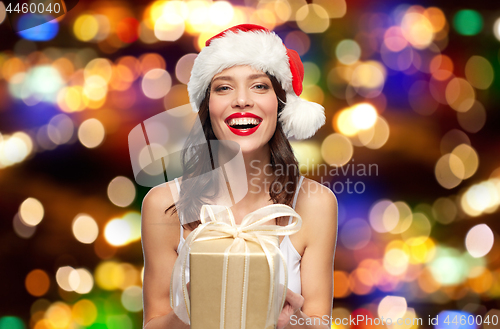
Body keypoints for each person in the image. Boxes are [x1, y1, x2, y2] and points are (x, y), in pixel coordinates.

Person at [141, 24, 338, 329]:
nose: (242, 100)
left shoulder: (316, 204)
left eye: (259, 86)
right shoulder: (164, 204)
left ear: (280, 102)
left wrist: (291, 320)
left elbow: (320, 323)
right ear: (208, 106)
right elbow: (153, 323)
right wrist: (191, 309)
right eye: (223, 87)